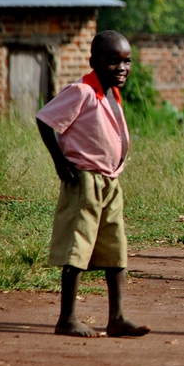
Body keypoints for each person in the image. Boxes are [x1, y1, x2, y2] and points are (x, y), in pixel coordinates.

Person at [35, 30, 150, 338]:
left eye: (127, 61)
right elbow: (45, 120)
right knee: (78, 245)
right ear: (94, 62)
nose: (122, 68)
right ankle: (67, 318)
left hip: (110, 181)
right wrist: (60, 161)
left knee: (116, 249)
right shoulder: (83, 91)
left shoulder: (113, 93)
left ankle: (117, 317)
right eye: (113, 61)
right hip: (84, 179)